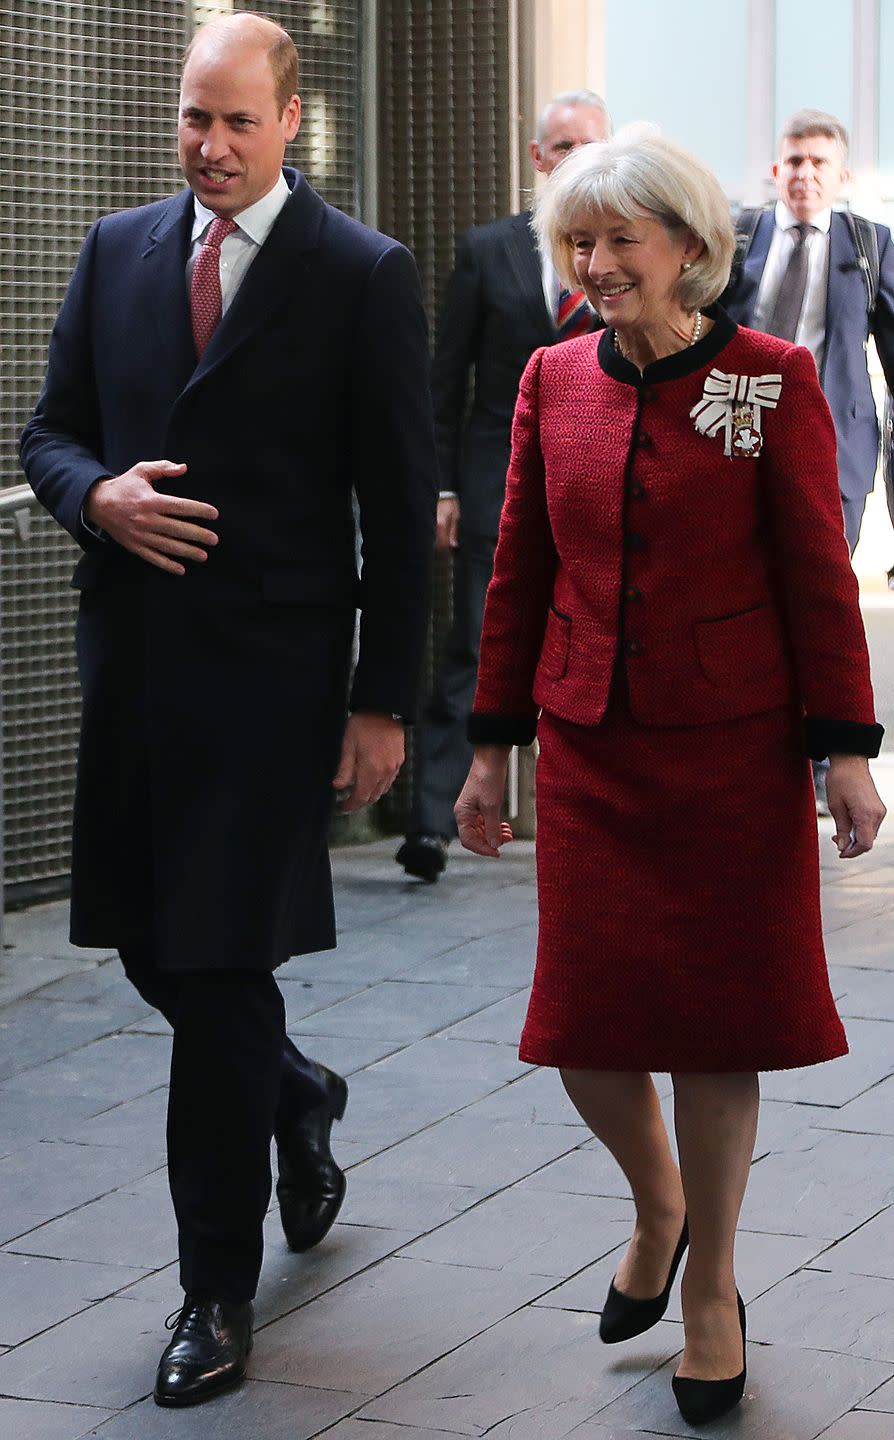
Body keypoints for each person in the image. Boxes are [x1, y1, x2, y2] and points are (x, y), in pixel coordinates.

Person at [20, 12, 435, 1408]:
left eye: (235, 122)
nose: (207, 145)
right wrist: (98, 497)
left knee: (209, 975)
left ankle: (213, 1288)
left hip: (273, 686)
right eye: (193, 118)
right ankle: (298, 1096)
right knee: (164, 954)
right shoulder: (115, 250)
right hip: (132, 675)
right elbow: (49, 429)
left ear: (291, 120)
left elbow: (395, 508)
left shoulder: (359, 274)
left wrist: (385, 706)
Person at [455, 127, 885, 1426]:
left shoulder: (764, 379)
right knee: (583, 1027)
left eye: (618, 240)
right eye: (575, 243)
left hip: (726, 749)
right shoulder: (549, 379)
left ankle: (712, 1288)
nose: (593, 263)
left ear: (688, 249)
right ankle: (659, 1209)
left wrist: (846, 753)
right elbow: (518, 566)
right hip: (591, 743)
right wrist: (489, 751)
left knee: (713, 1025)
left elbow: (815, 572)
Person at [396, 90, 610, 882]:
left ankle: (577, 821)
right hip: (498, 480)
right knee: (476, 649)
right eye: (559, 147)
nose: (572, 159)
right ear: (536, 158)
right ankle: (429, 824)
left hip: (595, 484)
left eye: (587, 145)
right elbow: (444, 380)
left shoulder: (622, 252)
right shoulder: (489, 249)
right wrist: (444, 487)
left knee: (588, 652)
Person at [723, 110, 894, 815]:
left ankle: (827, 752)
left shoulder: (870, 245)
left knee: (822, 594)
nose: (804, 174)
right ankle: (753, 741)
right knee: (740, 586)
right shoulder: (738, 239)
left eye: (820, 163)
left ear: (841, 176)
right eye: (794, 161)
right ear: (776, 169)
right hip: (738, 434)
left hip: (833, 444)